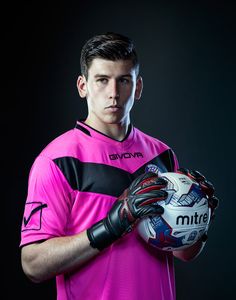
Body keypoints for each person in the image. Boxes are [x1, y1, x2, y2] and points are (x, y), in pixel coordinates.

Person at [20, 32, 219, 300]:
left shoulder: (162, 155)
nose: (113, 93)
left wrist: (198, 222)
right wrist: (113, 226)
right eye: (102, 80)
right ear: (83, 86)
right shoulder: (56, 160)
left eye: (123, 80)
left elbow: (183, 252)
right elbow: (33, 264)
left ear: (137, 88)